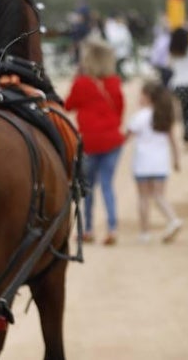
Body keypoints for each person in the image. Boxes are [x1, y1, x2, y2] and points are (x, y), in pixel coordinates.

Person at [65, 38, 125, 245]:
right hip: (113, 140)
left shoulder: (81, 83)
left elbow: (68, 105)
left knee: (87, 187)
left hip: (89, 141)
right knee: (108, 185)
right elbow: (119, 110)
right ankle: (112, 228)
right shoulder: (115, 82)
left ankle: (87, 229)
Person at [126, 81, 182, 243]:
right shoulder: (164, 116)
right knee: (159, 196)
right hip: (160, 163)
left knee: (143, 197)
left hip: (142, 163)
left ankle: (144, 232)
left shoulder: (139, 117)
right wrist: (176, 160)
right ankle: (172, 219)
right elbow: (173, 141)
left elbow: (127, 136)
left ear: (148, 97)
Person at [169, 25, 188, 150]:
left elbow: (170, 68)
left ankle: (187, 137)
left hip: (178, 85)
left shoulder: (173, 53)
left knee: (185, 112)